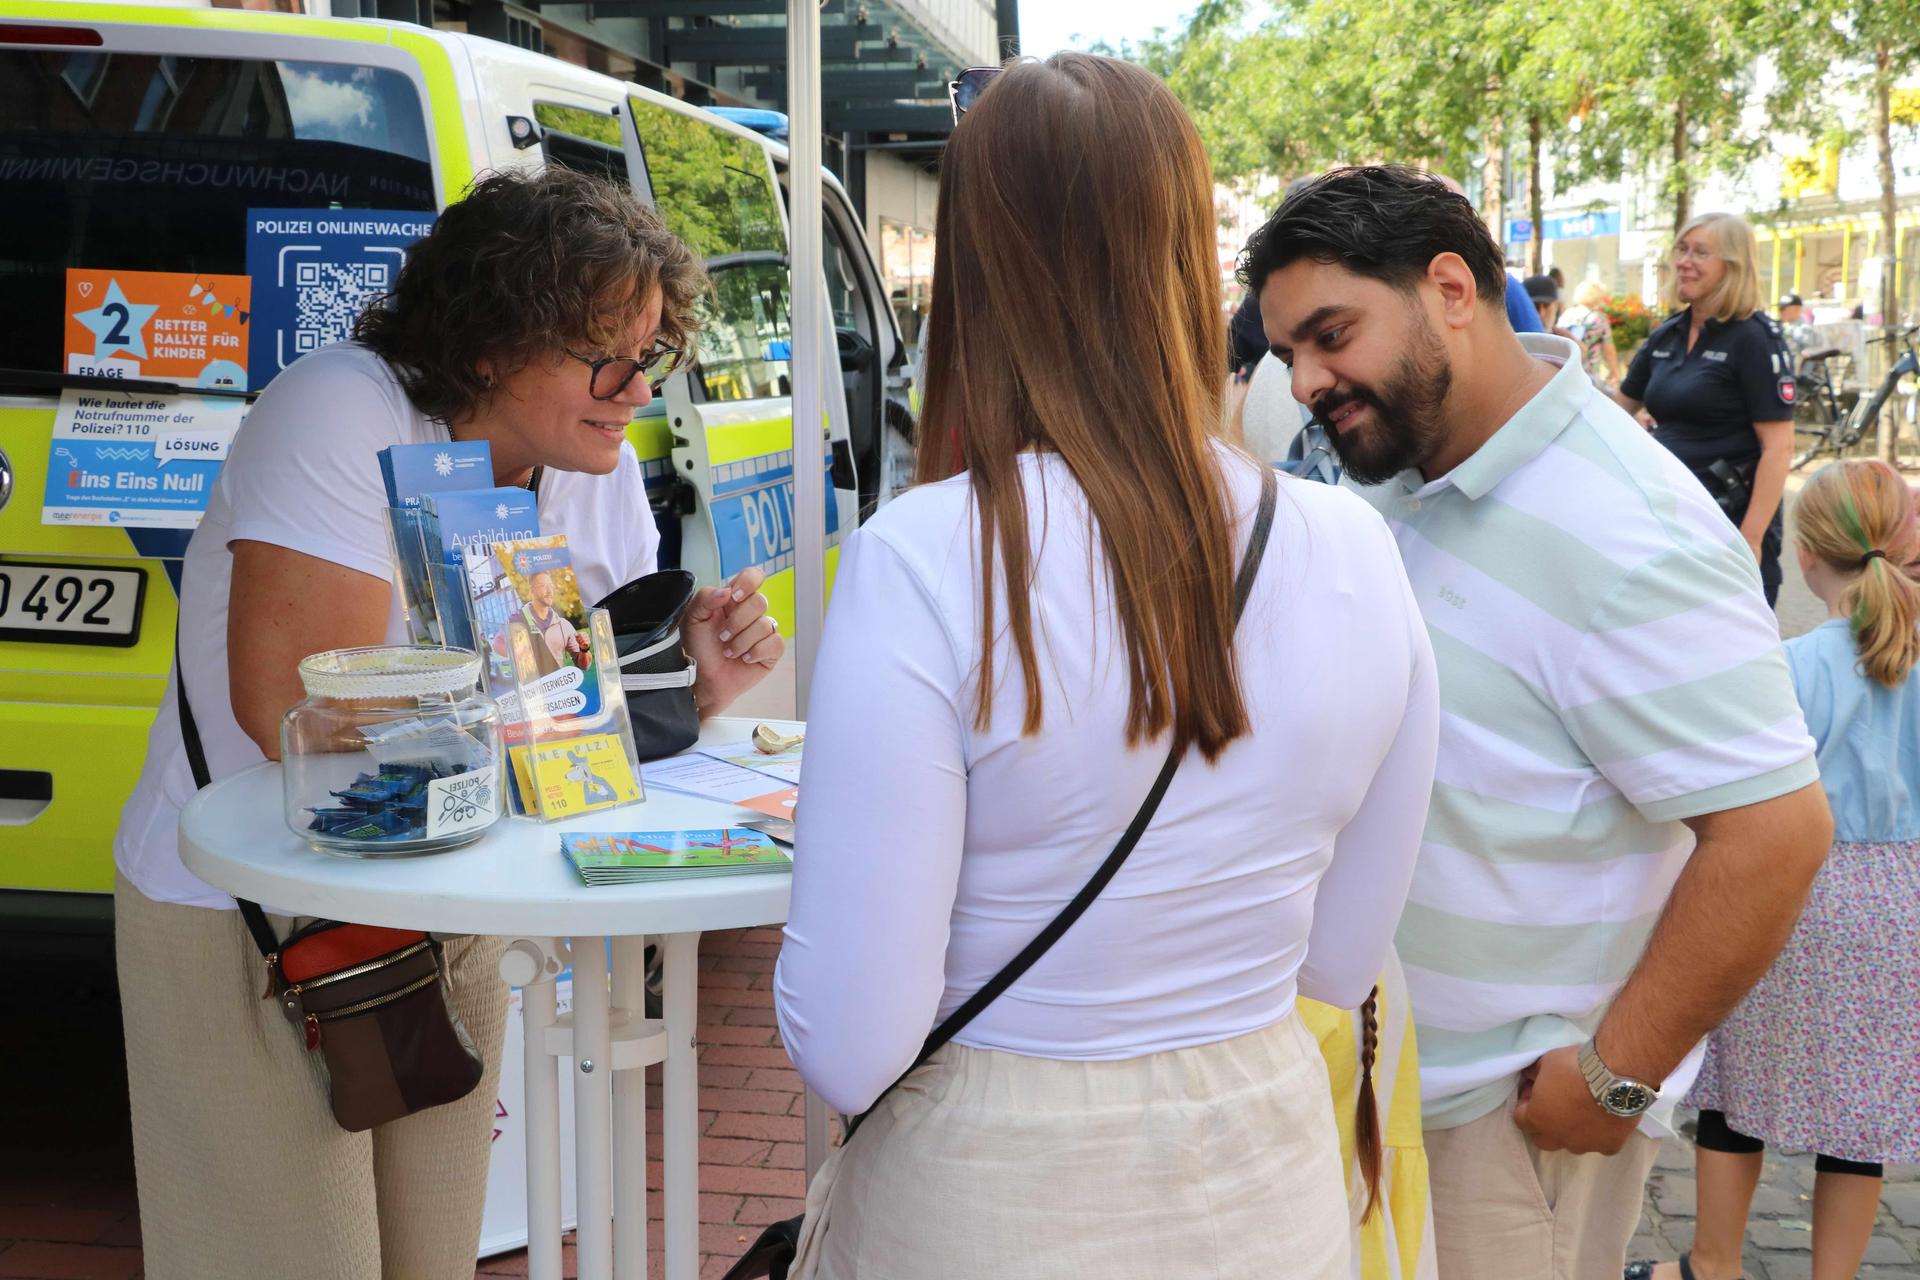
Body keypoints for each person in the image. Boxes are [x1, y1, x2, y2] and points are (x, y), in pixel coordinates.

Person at [774, 56, 1439, 1280]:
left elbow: (850, 1040)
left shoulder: (925, 557)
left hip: (988, 1194)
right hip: (1263, 1183)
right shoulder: (1359, 549)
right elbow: (1343, 961)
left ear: (981, 272)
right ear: (1187, 259)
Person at [111, 168, 785, 1280]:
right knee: (291, 1256)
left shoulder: (584, 461)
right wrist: (541, 686)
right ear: (487, 341)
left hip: (443, 895)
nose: (632, 386)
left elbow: (578, 709)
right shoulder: (345, 407)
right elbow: (291, 700)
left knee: (429, 1255)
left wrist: (688, 682)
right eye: (604, 353)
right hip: (261, 909)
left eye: (652, 353)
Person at [1243, 165, 1832, 1280]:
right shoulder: (1398, 476)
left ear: (1451, 288)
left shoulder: (1632, 528)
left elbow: (1777, 833)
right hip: (1374, 1081)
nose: (1308, 380)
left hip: (1509, 1127)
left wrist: (1618, 1076)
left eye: (1330, 334)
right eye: (1288, 356)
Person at [1631, 460, 1920, 1280]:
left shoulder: (1790, 665)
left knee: (1735, 1088)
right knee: (1861, 1119)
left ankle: (1713, 1265)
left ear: (1805, 555)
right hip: (1900, 904)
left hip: (1792, 890)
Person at [1613, 213, 1797, 606]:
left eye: (1700, 252)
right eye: (1682, 249)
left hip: (1726, 528)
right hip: (1668, 526)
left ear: (1732, 266)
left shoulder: (1753, 339)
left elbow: (1778, 449)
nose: (1684, 261)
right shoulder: (1669, 333)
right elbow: (1616, 411)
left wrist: (1749, 540)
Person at [1559, 280, 1624, 385]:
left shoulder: (1567, 314)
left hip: (1566, 369)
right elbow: (1609, 349)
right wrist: (1615, 371)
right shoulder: (1599, 318)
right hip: (1589, 372)